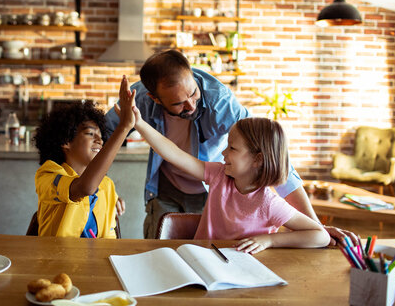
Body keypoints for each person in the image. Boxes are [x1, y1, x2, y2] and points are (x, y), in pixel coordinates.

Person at [105, 49, 356, 245]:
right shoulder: (137, 99)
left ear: (193, 76)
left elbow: (274, 160)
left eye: (193, 94)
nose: (191, 106)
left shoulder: (221, 102)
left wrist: (316, 227)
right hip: (166, 188)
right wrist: (105, 188)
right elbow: (101, 138)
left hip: (211, 192)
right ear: (155, 98)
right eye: (180, 103)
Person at [127, 104, 330, 253]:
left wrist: (270, 241)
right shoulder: (218, 175)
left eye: (232, 148)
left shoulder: (269, 203)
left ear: (257, 160)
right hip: (202, 259)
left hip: (245, 272)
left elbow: (320, 236)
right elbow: (175, 154)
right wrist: (140, 124)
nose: (223, 153)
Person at [33, 77, 133, 238]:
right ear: (66, 140)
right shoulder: (47, 176)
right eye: (90, 134)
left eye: (101, 135)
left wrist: (114, 197)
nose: (99, 141)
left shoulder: (106, 185)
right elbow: (84, 188)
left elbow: (109, 237)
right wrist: (123, 127)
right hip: (56, 260)